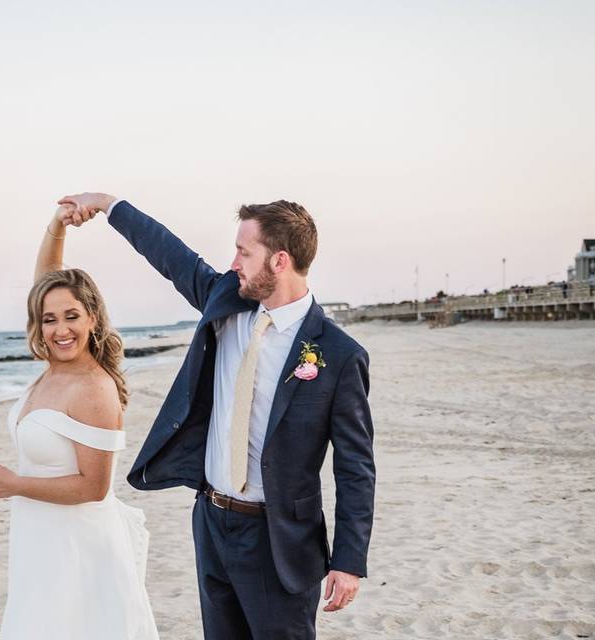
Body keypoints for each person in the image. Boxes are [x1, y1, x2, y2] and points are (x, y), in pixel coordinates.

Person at [57, 193, 376, 640]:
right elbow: (170, 255)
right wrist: (110, 205)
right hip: (211, 523)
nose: (234, 262)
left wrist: (348, 560)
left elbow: (355, 466)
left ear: (280, 261)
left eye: (245, 252)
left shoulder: (339, 356)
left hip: (280, 539)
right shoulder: (227, 299)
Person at [0, 205, 158, 639]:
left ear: (92, 318)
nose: (61, 329)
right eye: (49, 319)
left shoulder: (94, 388)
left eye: (72, 316)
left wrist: (15, 484)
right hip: (39, 542)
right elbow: (48, 283)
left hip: (77, 548)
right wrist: (57, 225)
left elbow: (93, 486)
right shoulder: (54, 366)